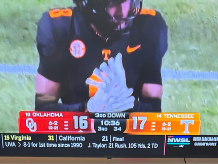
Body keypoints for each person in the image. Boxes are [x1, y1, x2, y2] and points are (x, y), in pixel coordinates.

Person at [34, 1, 168, 113]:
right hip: (75, 136)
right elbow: (43, 111)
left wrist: (126, 105)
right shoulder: (60, 29)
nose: (123, 11)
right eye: (113, 3)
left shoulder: (149, 26)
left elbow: (153, 113)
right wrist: (88, 109)